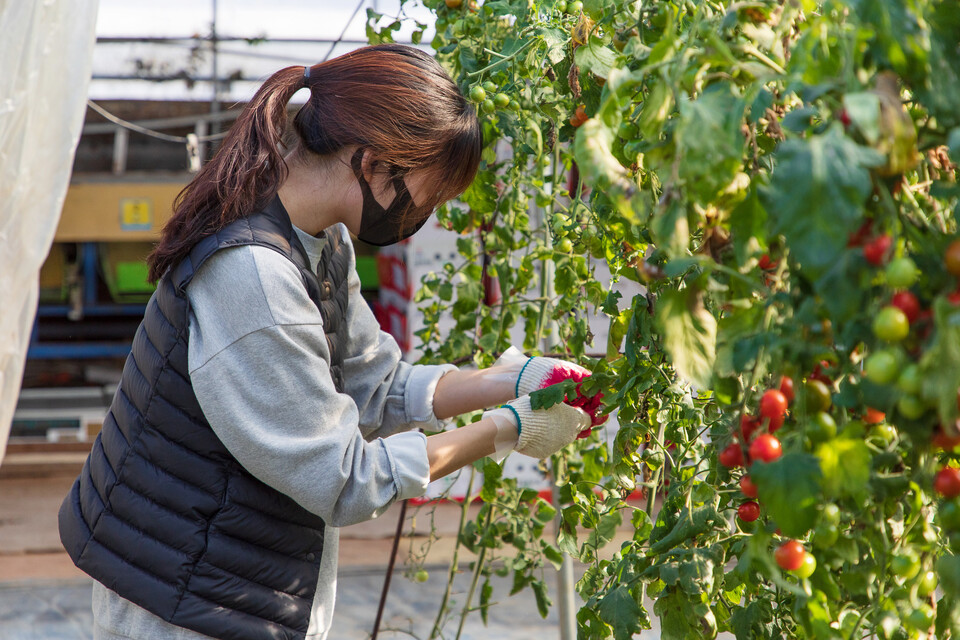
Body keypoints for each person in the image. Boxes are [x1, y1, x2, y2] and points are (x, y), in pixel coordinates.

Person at [59, 44, 595, 640]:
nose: (432, 214)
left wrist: (510, 382)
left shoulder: (319, 240)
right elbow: (344, 480)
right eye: (430, 193)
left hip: (232, 578)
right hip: (188, 600)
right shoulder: (254, 277)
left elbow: (375, 384)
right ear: (372, 163)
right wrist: (506, 430)